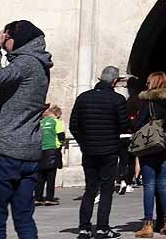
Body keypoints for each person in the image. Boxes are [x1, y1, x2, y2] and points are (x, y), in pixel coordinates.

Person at [0, 20, 53, 239]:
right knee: (23, 217)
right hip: (28, 151)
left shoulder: (26, 62)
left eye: (7, 38)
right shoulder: (41, 65)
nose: (4, 43)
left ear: (18, 39)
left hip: (5, 150)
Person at [70, 65, 130, 239]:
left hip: (89, 151)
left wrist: (84, 143)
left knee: (90, 189)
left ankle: (84, 228)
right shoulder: (117, 100)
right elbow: (123, 125)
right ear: (115, 81)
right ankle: (103, 227)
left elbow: (74, 125)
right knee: (106, 190)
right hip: (109, 151)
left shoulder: (83, 98)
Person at [133, 72, 166, 237]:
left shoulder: (149, 101)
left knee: (149, 185)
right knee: (163, 183)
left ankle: (148, 225)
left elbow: (138, 123)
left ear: (152, 82)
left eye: (148, 81)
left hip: (151, 145)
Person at [34, 105, 64, 206]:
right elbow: (61, 136)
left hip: (40, 150)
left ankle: (38, 198)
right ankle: (49, 198)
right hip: (52, 151)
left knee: (40, 176)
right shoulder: (57, 122)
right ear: (57, 114)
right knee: (51, 176)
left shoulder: (40, 122)